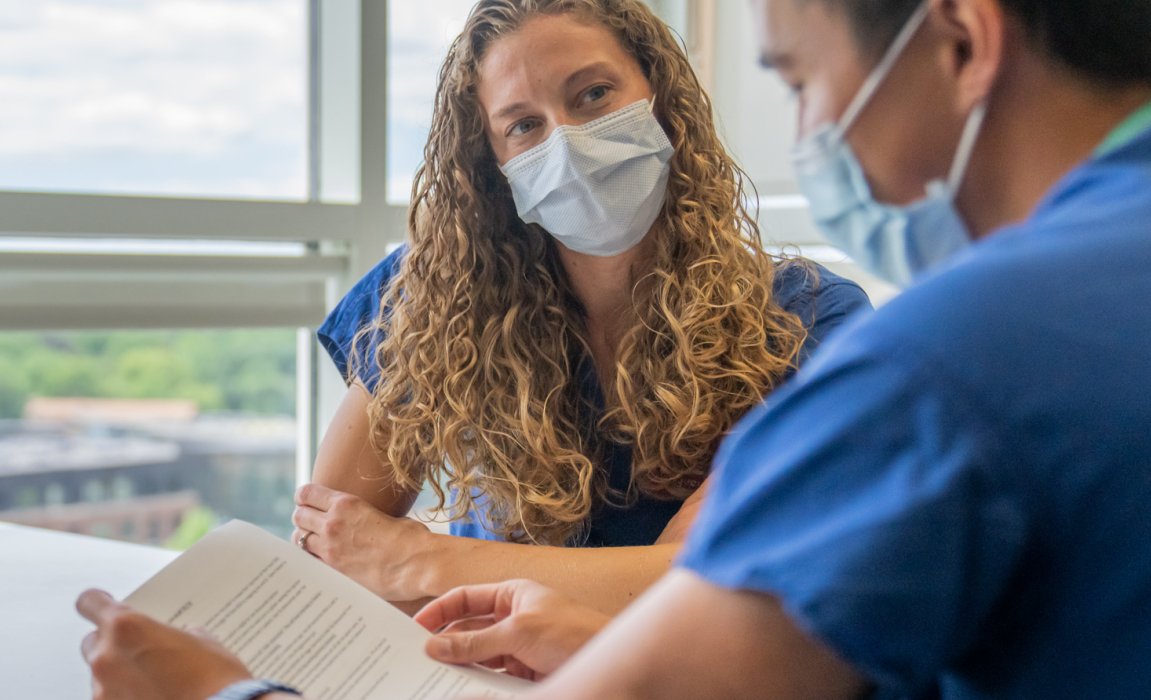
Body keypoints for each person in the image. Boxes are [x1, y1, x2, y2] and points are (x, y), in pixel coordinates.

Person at [76, 0, 1151, 697]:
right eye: (519, 127)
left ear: (962, 41)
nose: (813, 134)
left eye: (801, 80)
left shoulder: (940, 366)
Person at [290, 0, 870, 617]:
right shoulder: (431, 292)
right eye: (522, 126)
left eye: (593, 94)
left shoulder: (804, 321)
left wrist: (422, 561)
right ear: (494, 168)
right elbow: (334, 552)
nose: (565, 144)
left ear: (662, 95)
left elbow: (695, 586)